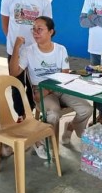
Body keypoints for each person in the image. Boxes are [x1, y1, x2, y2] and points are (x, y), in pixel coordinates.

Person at [9, 16, 92, 159]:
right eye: (33, 29)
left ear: (51, 32)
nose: (35, 32)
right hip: (42, 93)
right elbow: (14, 72)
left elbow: (64, 74)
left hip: (60, 88)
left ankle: (71, 127)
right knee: (53, 113)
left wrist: (50, 88)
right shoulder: (28, 51)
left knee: (87, 109)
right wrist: (16, 47)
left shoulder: (60, 50)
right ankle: (41, 141)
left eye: (40, 29)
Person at [0, 0, 51, 125]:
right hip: (15, 50)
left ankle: (30, 113)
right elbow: (5, 24)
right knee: (16, 84)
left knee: (33, 83)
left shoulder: (43, 1)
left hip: (34, 50)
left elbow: (46, 26)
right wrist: (13, 43)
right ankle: (21, 115)